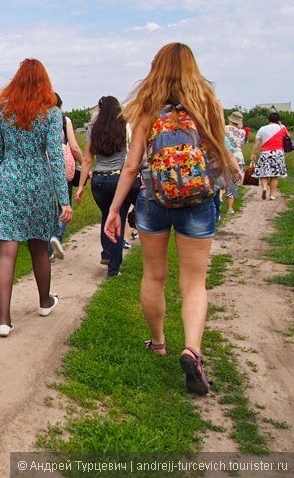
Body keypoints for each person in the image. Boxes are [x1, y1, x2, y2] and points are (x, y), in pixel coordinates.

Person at [103, 42, 239, 396]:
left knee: (154, 275)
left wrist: (115, 209)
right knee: (194, 283)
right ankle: (192, 349)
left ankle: (159, 342)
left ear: (157, 69)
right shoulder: (208, 105)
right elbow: (219, 153)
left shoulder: (147, 108)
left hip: (153, 199)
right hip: (198, 199)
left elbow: (132, 166)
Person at [0, 58, 73, 337]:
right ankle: (45, 302)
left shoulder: (1, 113)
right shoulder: (51, 113)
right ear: (44, 82)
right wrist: (64, 199)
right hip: (37, 182)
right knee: (39, 248)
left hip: (8, 182)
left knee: (7, 252)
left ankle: (4, 319)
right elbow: (57, 160)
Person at [75, 96, 139, 277]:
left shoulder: (93, 129)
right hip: (119, 179)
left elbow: (87, 160)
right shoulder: (124, 126)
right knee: (118, 217)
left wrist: (81, 186)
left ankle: (106, 253)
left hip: (99, 180)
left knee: (107, 215)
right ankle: (113, 268)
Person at [47, 92, 83, 261]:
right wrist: (84, 163)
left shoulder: (38, 119)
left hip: (42, 167)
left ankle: (46, 249)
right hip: (61, 166)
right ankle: (56, 237)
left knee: (47, 208)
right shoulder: (64, 120)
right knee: (64, 206)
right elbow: (74, 147)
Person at [250, 110, 289, 200]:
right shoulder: (282, 127)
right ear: (278, 120)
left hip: (265, 153)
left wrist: (253, 153)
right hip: (278, 153)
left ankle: (264, 188)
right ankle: (271, 195)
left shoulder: (262, 129)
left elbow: (257, 143)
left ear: (269, 120)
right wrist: (280, 124)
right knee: (274, 175)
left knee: (264, 173)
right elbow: (288, 137)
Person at [224, 111, 246, 214]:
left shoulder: (224, 128)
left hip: (225, 157)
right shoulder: (243, 132)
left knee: (221, 181)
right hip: (238, 158)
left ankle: (218, 203)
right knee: (233, 184)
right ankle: (229, 208)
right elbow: (242, 143)